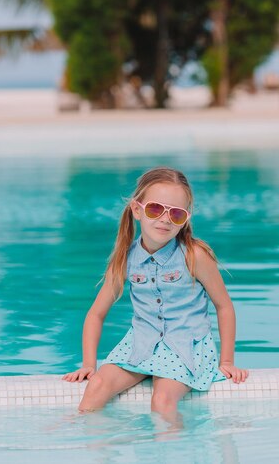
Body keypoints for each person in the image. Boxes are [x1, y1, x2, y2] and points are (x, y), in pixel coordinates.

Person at [62, 166, 249, 422]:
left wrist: (226, 361)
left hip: (184, 347)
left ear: (186, 218)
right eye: (155, 209)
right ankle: (93, 448)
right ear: (137, 210)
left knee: (161, 401)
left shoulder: (195, 256)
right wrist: (88, 364)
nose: (165, 219)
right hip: (140, 345)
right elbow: (96, 314)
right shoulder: (126, 259)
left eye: (176, 214)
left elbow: (224, 306)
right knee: (96, 386)